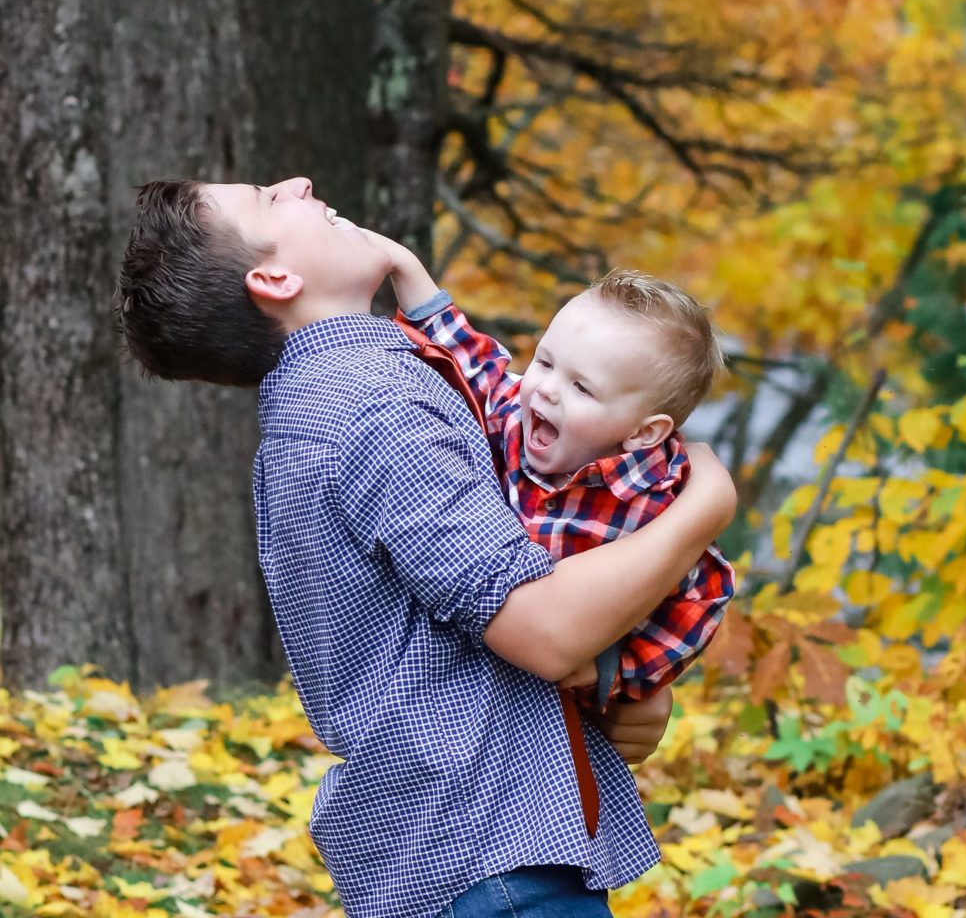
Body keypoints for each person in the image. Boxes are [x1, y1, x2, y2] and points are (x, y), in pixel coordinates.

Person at [114, 176, 737, 918]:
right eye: (266, 197)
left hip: (461, 839)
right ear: (274, 278)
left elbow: (449, 630)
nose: (300, 183)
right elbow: (542, 631)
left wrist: (614, 674)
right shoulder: (376, 408)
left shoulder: (334, 399)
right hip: (486, 848)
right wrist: (702, 509)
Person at [379, 244, 735, 709]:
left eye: (581, 387)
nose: (545, 389)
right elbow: (468, 358)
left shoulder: (655, 500)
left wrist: (617, 667)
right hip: (457, 672)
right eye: (545, 363)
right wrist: (403, 267)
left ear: (643, 432)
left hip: (555, 710)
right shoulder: (511, 416)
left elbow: (702, 597)